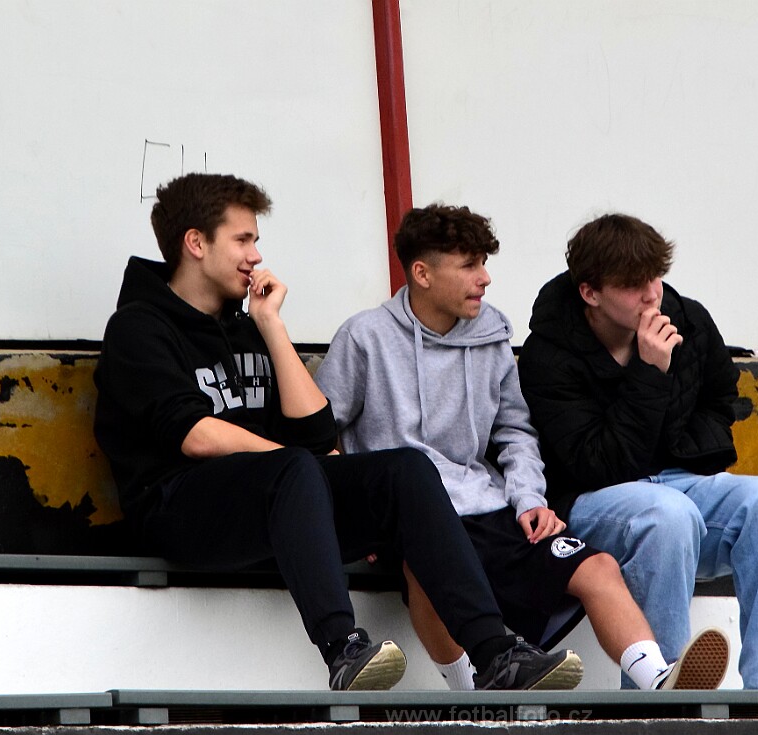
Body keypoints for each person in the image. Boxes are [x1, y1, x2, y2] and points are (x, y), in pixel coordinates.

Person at [93, 173, 585, 692]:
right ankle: (343, 649)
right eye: (243, 239)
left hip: (274, 503)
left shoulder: (245, 328)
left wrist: (271, 326)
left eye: (255, 241)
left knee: (404, 469)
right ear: (196, 243)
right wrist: (298, 461)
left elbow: (314, 433)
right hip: (180, 510)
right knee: (294, 468)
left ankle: (496, 654)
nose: (255, 256)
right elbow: (195, 436)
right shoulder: (138, 327)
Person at [315, 204, 730, 691]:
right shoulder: (365, 337)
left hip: (488, 504)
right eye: (469, 265)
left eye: (483, 262)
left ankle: (656, 679)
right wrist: (358, 518)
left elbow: (515, 432)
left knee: (596, 567)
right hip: (410, 514)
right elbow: (320, 432)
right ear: (422, 274)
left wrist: (530, 499)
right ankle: (469, 694)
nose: (485, 278)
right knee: (425, 566)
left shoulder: (491, 334)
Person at [517, 213, 758, 690]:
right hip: (589, 504)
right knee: (667, 514)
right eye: (633, 285)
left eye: (655, 276)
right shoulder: (549, 354)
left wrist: (685, 453)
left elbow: (720, 401)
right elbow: (594, 464)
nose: (652, 294)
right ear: (591, 293)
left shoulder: (688, 320)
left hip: (679, 487)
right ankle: (661, 691)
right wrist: (650, 373)